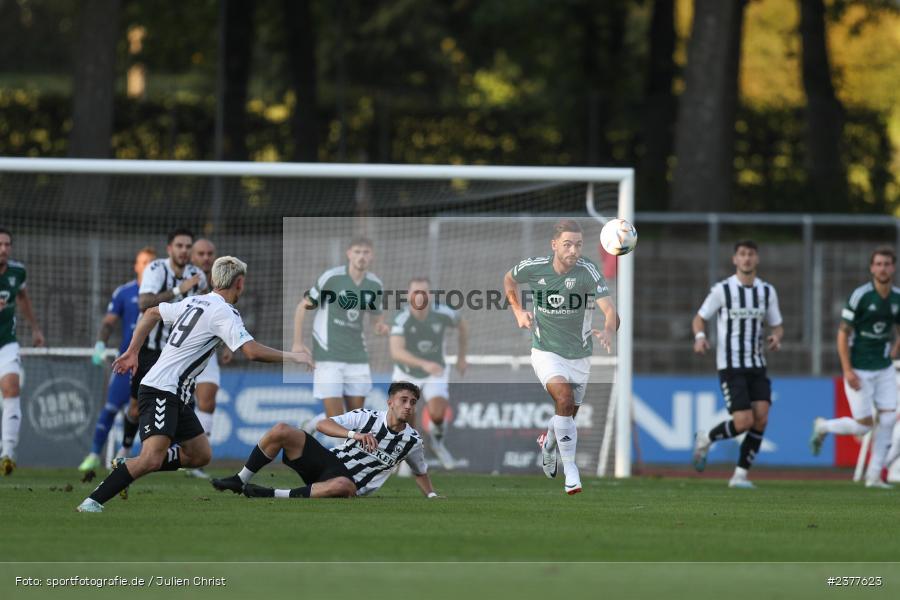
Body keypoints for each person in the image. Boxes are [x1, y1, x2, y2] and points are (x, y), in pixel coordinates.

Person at [76, 256, 314, 512]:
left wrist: (134, 350)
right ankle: (92, 502)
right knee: (152, 459)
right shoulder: (225, 311)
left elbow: (151, 312)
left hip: (174, 394)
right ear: (240, 283)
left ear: (213, 279)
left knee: (200, 455)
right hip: (161, 390)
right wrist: (293, 357)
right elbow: (252, 352)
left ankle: (129, 465)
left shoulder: (194, 301)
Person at [503, 219, 618, 495]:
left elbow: (611, 312)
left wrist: (608, 331)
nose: (573, 250)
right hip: (545, 350)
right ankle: (571, 471)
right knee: (564, 398)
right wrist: (518, 311)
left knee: (567, 412)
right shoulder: (534, 267)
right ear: (554, 245)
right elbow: (509, 279)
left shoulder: (588, 271)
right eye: (567, 244)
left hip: (579, 355)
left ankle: (550, 442)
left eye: (578, 244)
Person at [210, 381, 441, 499]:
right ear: (390, 402)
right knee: (282, 430)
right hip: (328, 463)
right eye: (404, 400)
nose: (409, 406)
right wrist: (354, 435)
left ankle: (270, 494)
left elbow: (420, 471)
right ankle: (240, 480)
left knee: (343, 485)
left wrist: (431, 495)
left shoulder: (412, 440)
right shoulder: (366, 417)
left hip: (349, 485)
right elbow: (322, 424)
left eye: (413, 402)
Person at [690, 240, 784, 489]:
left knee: (761, 418)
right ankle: (706, 438)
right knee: (744, 422)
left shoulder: (767, 291)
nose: (746, 259)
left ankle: (740, 476)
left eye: (751, 254)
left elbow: (777, 324)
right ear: (735, 260)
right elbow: (699, 319)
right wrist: (700, 338)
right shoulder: (723, 290)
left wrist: (777, 336)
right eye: (742, 255)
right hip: (730, 366)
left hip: (757, 364)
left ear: (757, 259)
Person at [810, 246, 900, 489]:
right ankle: (824, 426)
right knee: (864, 424)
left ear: (893, 267)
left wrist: (893, 352)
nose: (882, 268)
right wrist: (847, 369)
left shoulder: (897, 298)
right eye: (878, 264)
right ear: (872, 268)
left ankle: (873, 476)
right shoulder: (861, 296)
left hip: (884, 369)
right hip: (859, 369)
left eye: (887, 264)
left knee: (889, 419)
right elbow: (842, 334)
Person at [116, 228, 206, 462]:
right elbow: (144, 303)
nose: (184, 251)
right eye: (179, 246)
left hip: (177, 353)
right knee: (136, 407)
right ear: (170, 249)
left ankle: (172, 456)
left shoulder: (199, 276)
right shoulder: (156, 269)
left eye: (188, 246)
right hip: (149, 349)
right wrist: (179, 290)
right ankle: (124, 451)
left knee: (183, 405)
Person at [292, 236, 389, 442]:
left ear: (371, 256)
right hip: (328, 354)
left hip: (357, 356)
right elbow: (302, 306)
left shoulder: (374, 284)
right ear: (349, 254)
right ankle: (341, 466)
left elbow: (375, 321)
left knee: (357, 420)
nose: (361, 256)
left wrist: (380, 328)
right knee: (337, 422)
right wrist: (298, 344)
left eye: (365, 252)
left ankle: (313, 424)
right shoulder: (332, 278)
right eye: (357, 252)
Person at [78, 246, 156, 474]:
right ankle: (93, 454)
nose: (148, 266)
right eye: (144, 262)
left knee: (141, 411)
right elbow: (109, 322)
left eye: (152, 262)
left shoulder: (164, 293)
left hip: (153, 361)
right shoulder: (124, 292)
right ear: (136, 266)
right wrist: (100, 344)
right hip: (128, 361)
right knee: (111, 407)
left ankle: (126, 453)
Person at [389, 276, 468, 468]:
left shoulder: (443, 312)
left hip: (435, 370)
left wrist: (461, 357)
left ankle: (437, 443)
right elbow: (396, 351)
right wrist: (423, 363)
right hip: (406, 373)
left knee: (438, 414)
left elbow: (463, 325)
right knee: (405, 417)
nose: (419, 296)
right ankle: (406, 458)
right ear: (408, 295)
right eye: (415, 292)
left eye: (424, 292)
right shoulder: (401, 318)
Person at [184, 238, 232, 478]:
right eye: (200, 253)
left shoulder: (221, 280)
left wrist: (229, 345)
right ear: (192, 256)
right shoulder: (182, 278)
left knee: (208, 401)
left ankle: (197, 462)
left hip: (206, 351)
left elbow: (226, 314)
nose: (205, 257)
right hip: (179, 350)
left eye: (209, 253)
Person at [0, 227, 45, 475]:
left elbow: (23, 298)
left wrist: (36, 329)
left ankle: (7, 453)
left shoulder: (17, 271)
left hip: (6, 342)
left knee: (11, 389)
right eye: (0, 244)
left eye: (7, 244)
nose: (4, 249)